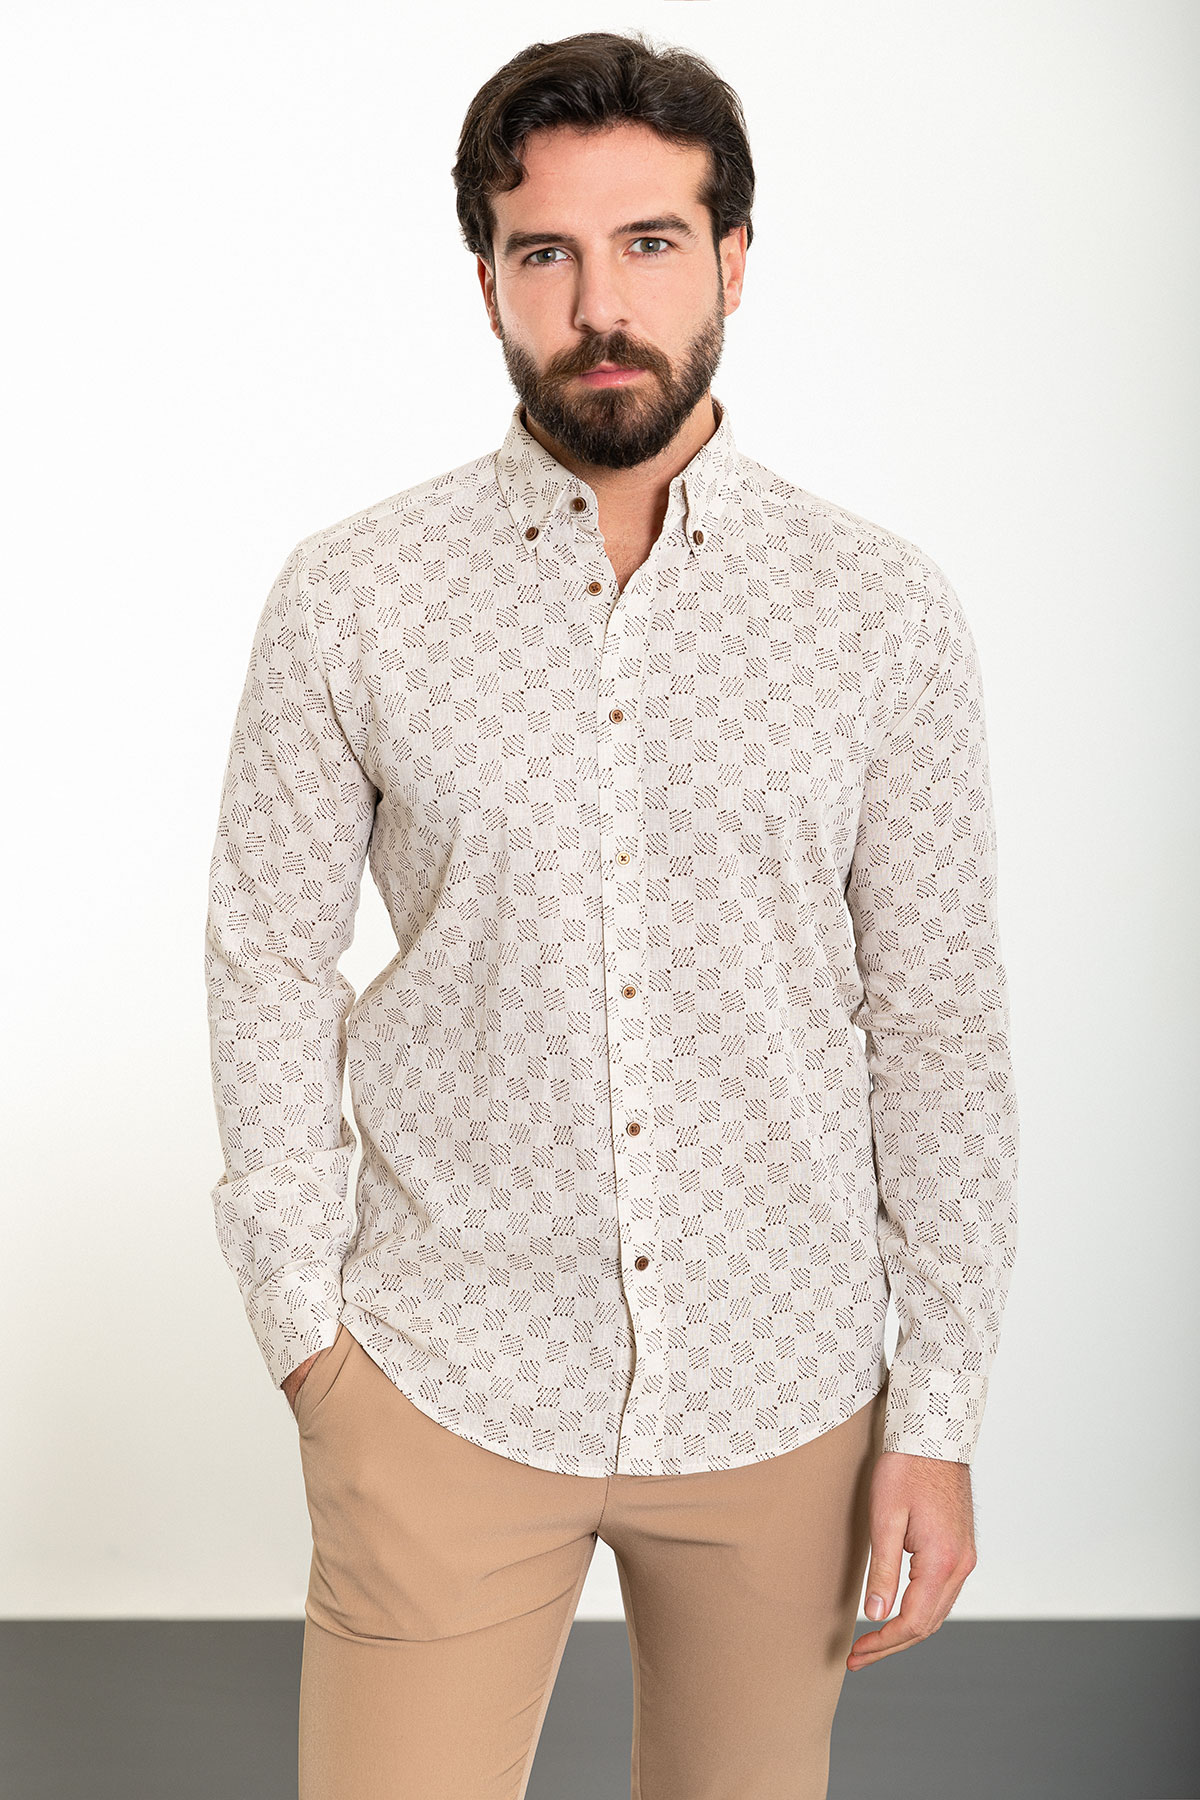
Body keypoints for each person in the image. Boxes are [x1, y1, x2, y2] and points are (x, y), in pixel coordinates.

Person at [204, 28, 1019, 1800]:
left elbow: (939, 1023)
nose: (600, 307)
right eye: (546, 253)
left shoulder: (878, 614)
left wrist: (937, 1414)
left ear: (733, 258)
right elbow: (266, 959)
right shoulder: (352, 600)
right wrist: (306, 1336)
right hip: (439, 1378)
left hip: (783, 1395)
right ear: (485, 279)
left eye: (650, 243)